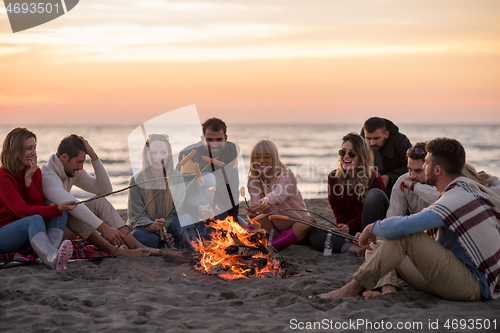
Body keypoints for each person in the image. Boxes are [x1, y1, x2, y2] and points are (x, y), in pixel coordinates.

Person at [312, 138, 500, 301]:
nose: (419, 170)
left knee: (404, 235)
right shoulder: (461, 188)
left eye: (425, 163)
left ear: (437, 169)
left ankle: (353, 287)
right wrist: (376, 232)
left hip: (471, 284)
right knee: (379, 243)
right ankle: (388, 290)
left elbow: (406, 226)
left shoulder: (455, 198)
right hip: (449, 272)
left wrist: (371, 227)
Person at [41, 135, 151, 257]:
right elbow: (72, 204)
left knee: (99, 202)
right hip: (49, 234)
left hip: (65, 229)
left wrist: (94, 157)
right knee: (72, 211)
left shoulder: (72, 171)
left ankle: (138, 247)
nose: (81, 167)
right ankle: (115, 251)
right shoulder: (48, 176)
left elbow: (104, 190)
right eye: (79, 162)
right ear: (64, 157)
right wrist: (104, 229)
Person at [364, 142, 439, 297]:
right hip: (415, 249)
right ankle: (388, 288)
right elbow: (392, 220)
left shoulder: (442, 184)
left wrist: (414, 187)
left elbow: (441, 198)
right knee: (374, 246)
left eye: (418, 171)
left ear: (430, 167)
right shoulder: (403, 182)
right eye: (409, 169)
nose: (412, 176)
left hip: (440, 252)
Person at [0, 128, 77, 270]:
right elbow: (21, 211)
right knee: (35, 218)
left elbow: (38, 205)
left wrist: (28, 180)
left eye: (34, 147)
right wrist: (57, 207)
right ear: (15, 151)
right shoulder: (3, 176)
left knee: (60, 213)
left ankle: (52, 254)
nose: (34, 152)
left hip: (25, 231)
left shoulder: (34, 172)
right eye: (29, 148)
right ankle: (51, 258)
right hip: (4, 233)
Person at [309, 133, 388, 255]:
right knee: (313, 234)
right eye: (343, 152)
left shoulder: (374, 178)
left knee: (374, 195)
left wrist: (352, 227)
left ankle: (363, 239)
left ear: (361, 156)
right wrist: (344, 228)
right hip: (350, 230)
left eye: (351, 153)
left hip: (370, 226)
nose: (345, 156)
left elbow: (368, 210)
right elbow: (336, 208)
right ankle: (354, 248)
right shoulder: (333, 177)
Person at [172, 117, 242, 248]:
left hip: (216, 202)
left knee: (239, 229)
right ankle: (202, 231)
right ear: (203, 139)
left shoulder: (232, 151)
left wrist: (234, 220)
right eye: (210, 140)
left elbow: (232, 187)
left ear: (225, 139)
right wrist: (200, 208)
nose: (214, 144)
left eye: (219, 140)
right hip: (190, 206)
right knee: (208, 177)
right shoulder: (188, 156)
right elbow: (182, 195)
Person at [246, 140, 315, 250]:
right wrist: (253, 212)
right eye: (257, 157)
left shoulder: (286, 176)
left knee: (309, 220)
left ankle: (273, 246)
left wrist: (260, 204)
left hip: (296, 227)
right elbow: (257, 206)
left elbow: (278, 195)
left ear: (274, 158)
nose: (261, 161)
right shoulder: (253, 180)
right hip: (275, 230)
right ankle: (268, 243)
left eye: (267, 157)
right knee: (257, 219)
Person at [127, 134, 191, 248]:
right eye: (153, 152)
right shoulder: (137, 180)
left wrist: (165, 225)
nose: (158, 157)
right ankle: (160, 242)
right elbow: (135, 214)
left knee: (185, 223)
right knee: (138, 236)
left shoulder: (177, 178)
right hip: (146, 229)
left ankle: (169, 240)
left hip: (170, 227)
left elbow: (179, 211)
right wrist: (153, 226)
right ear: (147, 155)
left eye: (163, 152)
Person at [360, 117, 412, 198]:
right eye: (368, 138)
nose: (372, 143)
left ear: (386, 134)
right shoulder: (361, 142)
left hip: (397, 183)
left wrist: (390, 177)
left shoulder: (401, 142)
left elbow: (411, 168)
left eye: (376, 138)